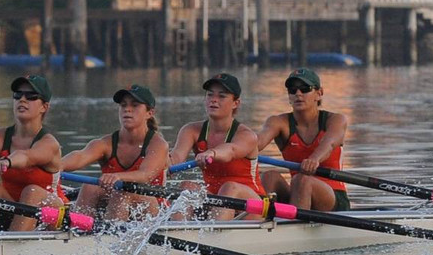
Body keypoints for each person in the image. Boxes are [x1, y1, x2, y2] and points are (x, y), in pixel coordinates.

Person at [0, 74, 65, 231]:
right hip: (14, 206)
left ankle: (15, 246)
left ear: (44, 107)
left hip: (52, 213)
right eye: (18, 95)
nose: (22, 99)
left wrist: (6, 161)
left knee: (32, 191)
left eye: (31, 96)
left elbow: (26, 157)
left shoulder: (49, 143)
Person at [62, 84, 170, 221]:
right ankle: (79, 229)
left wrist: (117, 176)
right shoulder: (105, 144)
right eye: (123, 105)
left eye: (135, 105)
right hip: (117, 202)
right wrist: (57, 165)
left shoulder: (158, 145)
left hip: (153, 208)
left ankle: (110, 237)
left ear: (150, 113)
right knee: (90, 187)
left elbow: (145, 175)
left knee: (122, 192)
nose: (127, 109)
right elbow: (80, 156)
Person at [168, 72, 265, 220]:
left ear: (235, 103)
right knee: (188, 186)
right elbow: (175, 160)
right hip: (216, 200)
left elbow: (231, 151)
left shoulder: (247, 135)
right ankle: (178, 234)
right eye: (210, 95)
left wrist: (211, 153)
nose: (213, 100)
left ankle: (214, 237)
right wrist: (155, 165)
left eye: (221, 96)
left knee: (229, 187)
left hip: (252, 205)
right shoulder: (191, 130)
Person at [257, 68, 352, 211]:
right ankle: (261, 220)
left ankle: (292, 227)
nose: (298, 94)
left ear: (319, 94)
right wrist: (230, 150)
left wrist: (315, 159)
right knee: (269, 176)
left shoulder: (335, 120)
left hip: (333, 197)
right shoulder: (278, 122)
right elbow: (256, 143)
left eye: (305, 89)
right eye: (292, 90)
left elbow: (330, 142)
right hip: (298, 192)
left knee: (302, 180)